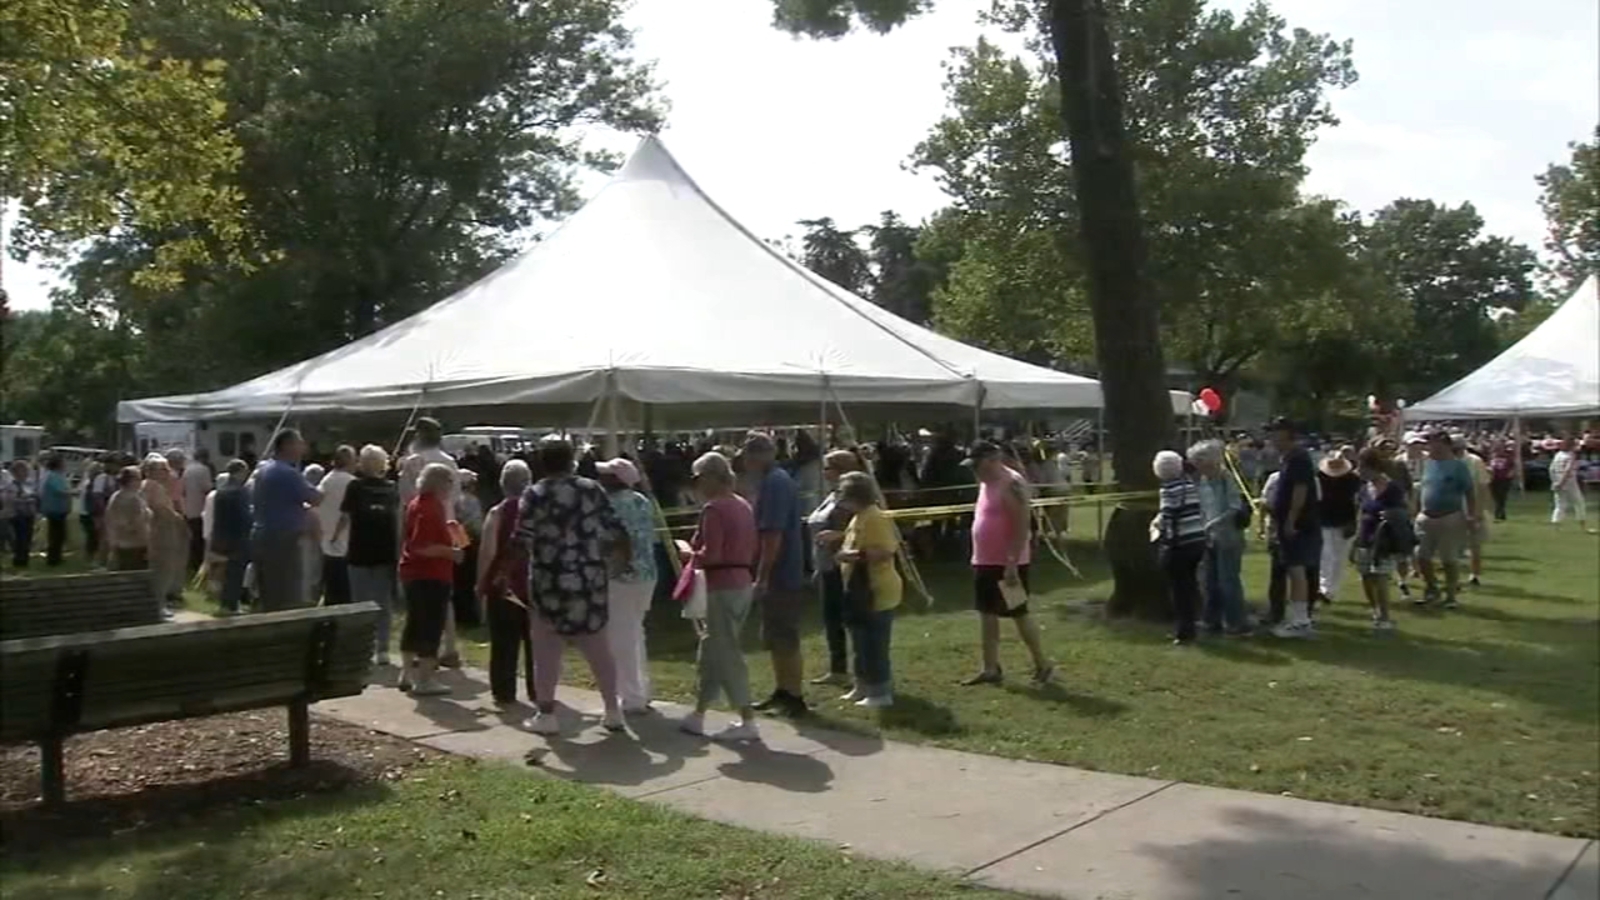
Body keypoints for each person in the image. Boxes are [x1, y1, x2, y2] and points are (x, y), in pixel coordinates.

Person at [488, 436, 628, 736]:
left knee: (546, 651)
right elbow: (616, 529)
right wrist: (621, 560)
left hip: (548, 583)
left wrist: (502, 573)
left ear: (542, 463)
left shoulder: (534, 494)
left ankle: (546, 713)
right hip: (589, 580)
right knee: (598, 648)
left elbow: (520, 540)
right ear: (571, 462)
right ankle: (613, 710)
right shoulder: (592, 490)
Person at [679, 451, 761, 742]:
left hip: (722, 584)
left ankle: (748, 719)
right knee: (712, 650)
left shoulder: (714, 509)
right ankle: (699, 713)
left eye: (698, 478)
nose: (696, 484)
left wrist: (690, 554)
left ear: (712, 477)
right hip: (741, 582)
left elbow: (712, 554)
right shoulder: (742, 505)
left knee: (725, 653)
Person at [962, 441, 1053, 684]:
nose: (975, 471)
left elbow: (1022, 525)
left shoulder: (1012, 483)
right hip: (984, 560)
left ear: (993, 461)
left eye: (978, 465)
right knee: (987, 614)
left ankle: (1042, 663)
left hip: (1008, 563)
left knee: (1018, 613)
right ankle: (990, 668)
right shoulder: (985, 482)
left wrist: (1011, 562)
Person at [741, 432, 811, 716]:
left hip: (782, 571)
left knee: (784, 634)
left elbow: (773, 534)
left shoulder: (774, 484)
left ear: (754, 457)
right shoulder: (776, 480)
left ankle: (794, 695)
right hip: (781, 570)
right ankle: (782, 690)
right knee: (775, 634)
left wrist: (763, 575)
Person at [597, 457, 658, 715]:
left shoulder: (609, 505)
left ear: (615, 480)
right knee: (635, 632)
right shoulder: (642, 501)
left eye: (606, 475)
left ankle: (632, 697)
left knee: (621, 638)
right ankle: (641, 690)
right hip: (647, 574)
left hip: (621, 575)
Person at [834, 471, 901, 707]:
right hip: (857, 591)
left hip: (877, 590)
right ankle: (861, 686)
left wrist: (851, 556)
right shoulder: (858, 517)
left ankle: (880, 692)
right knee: (859, 642)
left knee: (875, 644)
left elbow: (886, 551)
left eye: (843, 492)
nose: (840, 496)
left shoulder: (875, 517)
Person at [398, 417, 462, 664]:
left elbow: (405, 497)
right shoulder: (450, 462)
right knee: (445, 587)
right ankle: (450, 645)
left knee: (420, 589)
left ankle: (421, 649)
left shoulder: (414, 462)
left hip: (424, 522)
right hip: (451, 523)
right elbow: (455, 497)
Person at [477, 459, 536, 705]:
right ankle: (539, 689)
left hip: (504, 585)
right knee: (537, 644)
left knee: (503, 643)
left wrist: (481, 583)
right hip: (533, 585)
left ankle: (503, 691)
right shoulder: (538, 511)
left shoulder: (497, 512)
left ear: (503, 484)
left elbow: (488, 552)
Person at [806, 450, 865, 688]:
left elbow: (862, 531)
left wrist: (837, 535)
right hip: (826, 564)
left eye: (828, 467)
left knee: (850, 619)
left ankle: (861, 671)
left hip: (844, 567)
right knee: (831, 619)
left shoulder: (851, 501)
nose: (823, 472)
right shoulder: (831, 496)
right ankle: (838, 669)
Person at [340, 445, 402, 666]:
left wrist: (335, 538)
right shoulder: (392, 488)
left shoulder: (354, 487)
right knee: (383, 602)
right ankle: (382, 648)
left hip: (359, 549)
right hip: (385, 551)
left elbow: (345, 517)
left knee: (359, 602)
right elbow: (397, 519)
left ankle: (361, 647)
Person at [250, 429, 322, 611]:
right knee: (287, 591)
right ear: (287, 446)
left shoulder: (263, 470)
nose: (303, 447)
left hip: (262, 534)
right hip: (283, 538)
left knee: (268, 589)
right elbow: (315, 498)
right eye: (299, 443)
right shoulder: (287, 473)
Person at [1188, 440, 1250, 635]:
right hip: (1209, 538)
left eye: (1200, 461)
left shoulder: (1226, 478)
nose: (1197, 466)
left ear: (1212, 461)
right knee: (1209, 581)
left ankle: (1236, 623)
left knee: (1228, 581)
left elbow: (1235, 507)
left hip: (1229, 537)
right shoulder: (1203, 481)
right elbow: (1203, 507)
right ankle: (1211, 620)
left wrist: (1213, 523)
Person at [1414, 429, 1477, 609]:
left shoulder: (1458, 466)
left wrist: (1471, 515)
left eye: (1431, 442)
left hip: (1449, 517)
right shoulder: (1428, 464)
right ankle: (1432, 588)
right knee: (1421, 556)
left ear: (1443, 443)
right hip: (1426, 517)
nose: (1428, 446)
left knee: (1448, 559)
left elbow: (1470, 492)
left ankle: (1451, 596)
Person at [1268, 418, 1320, 638]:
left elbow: (1300, 490)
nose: (1272, 439)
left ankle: (1300, 621)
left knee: (1297, 570)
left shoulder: (1298, 458)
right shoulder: (1289, 458)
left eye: (1276, 435)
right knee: (1293, 569)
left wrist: (1291, 519)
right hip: (1290, 522)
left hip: (1298, 524)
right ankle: (1297, 616)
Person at [1354, 448, 1409, 632]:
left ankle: (1385, 617)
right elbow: (1361, 511)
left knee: (1381, 576)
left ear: (1373, 467)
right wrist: (1356, 538)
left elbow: (1404, 511)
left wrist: (1392, 514)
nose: (1358, 471)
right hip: (1365, 536)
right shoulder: (1364, 488)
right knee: (1365, 576)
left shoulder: (1392, 488)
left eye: (1361, 467)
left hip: (1384, 539)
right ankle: (1375, 610)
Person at [1154, 450, 1206, 645]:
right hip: (1197, 540)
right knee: (1191, 584)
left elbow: (1168, 515)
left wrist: (1158, 528)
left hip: (1179, 543)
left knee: (1179, 589)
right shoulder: (1190, 485)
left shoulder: (1167, 489)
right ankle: (1196, 620)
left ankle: (1185, 632)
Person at [140, 454, 187, 615]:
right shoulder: (151, 486)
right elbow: (158, 509)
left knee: (165, 570)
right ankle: (158, 606)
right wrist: (176, 517)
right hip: (160, 534)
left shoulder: (155, 486)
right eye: (163, 469)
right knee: (161, 570)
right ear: (151, 471)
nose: (167, 472)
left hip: (165, 533)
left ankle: (161, 603)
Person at [1316, 449, 1362, 604]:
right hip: (1323, 520)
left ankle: (1331, 591)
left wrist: (1354, 522)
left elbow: (1356, 503)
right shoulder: (1320, 477)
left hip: (1345, 521)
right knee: (1325, 554)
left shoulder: (1353, 480)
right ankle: (1323, 587)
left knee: (1339, 558)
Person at [209, 460, 254, 614]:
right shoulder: (240, 491)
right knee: (236, 574)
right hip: (238, 538)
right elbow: (245, 517)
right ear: (240, 472)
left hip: (222, 537)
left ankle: (224, 603)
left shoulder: (221, 491)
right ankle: (231, 605)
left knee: (226, 573)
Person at [316, 445, 357, 605]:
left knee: (331, 586)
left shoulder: (326, 480)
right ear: (349, 461)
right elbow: (348, 514)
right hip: (346, 540)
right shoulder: (352, 482)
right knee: (345, 589)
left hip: (327, 539)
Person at [1456, 436, 1491, 588]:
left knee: (1474, 544)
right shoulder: (1445, 461)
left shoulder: (1475, 462)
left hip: (1471, 507)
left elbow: (1483, 486)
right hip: (1452, 508)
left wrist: (1479, 510)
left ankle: (1475, 574)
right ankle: (1455, 577)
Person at [1549, 437, 1595, 533]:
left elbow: (1551, 469)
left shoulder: (1558, 455)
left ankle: (1555, 526)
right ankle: (1583, 527)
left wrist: (1555, 482)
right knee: (1579, 503)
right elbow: (1568, 471)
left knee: (1560, 505)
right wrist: (1561, 483)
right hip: (1569, 482)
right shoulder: (1570, 456)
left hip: (1557, 481)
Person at [182, 448, 214, 574]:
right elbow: (207, 488)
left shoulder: (187, 469)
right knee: (200, 539)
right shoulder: (203, 469)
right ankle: (199, 564)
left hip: (189, 508)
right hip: (200, 508)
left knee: (192, 539)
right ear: (204, 457)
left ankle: (191, 563)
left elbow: (183, 490)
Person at [39, 455, 72, 567]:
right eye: (63, 463)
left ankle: (57, 556)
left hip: (59, 509)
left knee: (59, 534)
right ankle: (53, 558)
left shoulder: (57, 475)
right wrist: (72, 492)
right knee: (56, 535)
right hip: (54, 509)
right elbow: (60, 491)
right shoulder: (53, 476)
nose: (65, 465)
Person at [1488, 442, 1515, 522]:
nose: (1498, 451)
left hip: (1504, 480)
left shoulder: (1508, 458)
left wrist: (1510, 474)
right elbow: (1488, 466)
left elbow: (1513, 467)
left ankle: (1500, 513)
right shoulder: (1491, 458)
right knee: (1495, 497)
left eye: (1499, 449)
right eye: (1496, 449)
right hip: (1493, 479)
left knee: (1502, 497)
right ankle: (1499, 513)